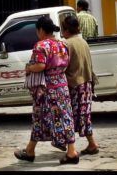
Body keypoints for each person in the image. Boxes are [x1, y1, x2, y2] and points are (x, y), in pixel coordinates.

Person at [14, 15, 78, 165]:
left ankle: (30, 151)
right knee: (65, 117)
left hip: (47, 88)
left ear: (41, 30)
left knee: (39, 117)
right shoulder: (62, 44)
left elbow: (40, 65)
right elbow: (66, 63)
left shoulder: (41, 45)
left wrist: (29, 67)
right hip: (62, 85)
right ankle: (71, 151)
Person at [60, 13, 99, 156]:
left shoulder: (67, 44)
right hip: (87, 82)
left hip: (75, 84)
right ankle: (91, 143)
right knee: (84, 115)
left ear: (66, 30)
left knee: (70, 117)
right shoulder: (83, 42)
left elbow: (63, 65)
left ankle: (72, 148)